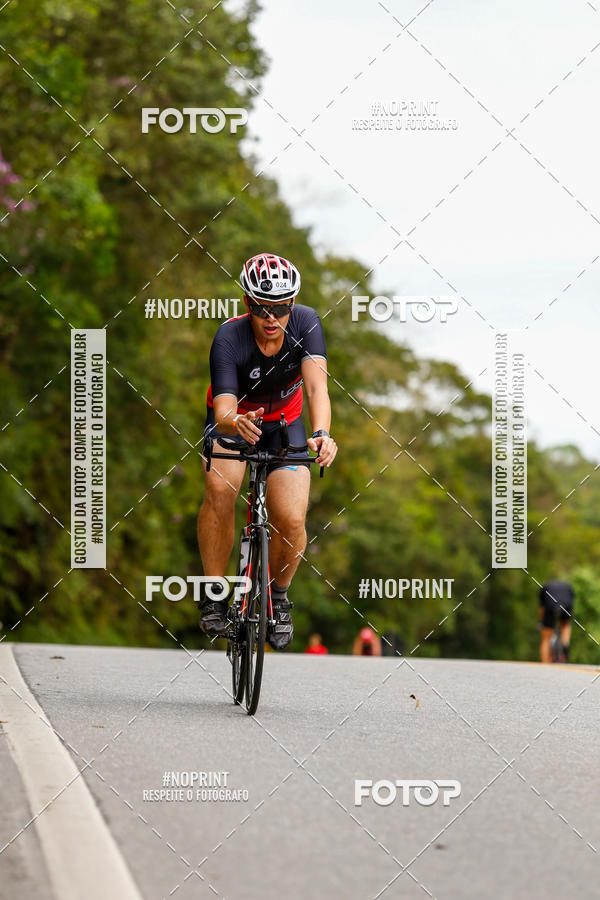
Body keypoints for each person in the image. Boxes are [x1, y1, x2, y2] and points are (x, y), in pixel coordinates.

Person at [197, 253, 337, 649]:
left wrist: (323, 433)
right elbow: (223, 408)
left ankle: (278, 595)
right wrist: (233, 423)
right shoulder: (229, 337)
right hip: (235, 421)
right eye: (261, 307)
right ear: (246, 303)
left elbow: (316, 389)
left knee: (291, 519)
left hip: (286, 425)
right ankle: (213, 594)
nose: (271, 316)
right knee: (221, 490)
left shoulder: (307, 324)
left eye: (280, 307)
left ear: (293, 304)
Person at [539, 579, 574, 663]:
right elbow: (571, 601)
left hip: (550, 606)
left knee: (546, 638)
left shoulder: (545, 587)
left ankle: (545, 663)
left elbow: (542, 609)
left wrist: (542, 622)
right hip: (566, 604)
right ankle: (565, 643)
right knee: (565, 624)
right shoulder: (568, 586)